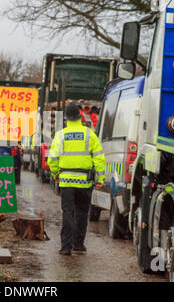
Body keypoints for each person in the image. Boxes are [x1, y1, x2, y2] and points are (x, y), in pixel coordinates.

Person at [47, 102, 106, 255]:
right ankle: (79, 244)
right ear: (80, 117)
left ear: (66, 119)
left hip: (66, 180)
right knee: (82, 212)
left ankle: (66, 247)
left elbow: (52, 159)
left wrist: (55, 175)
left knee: (67, 212)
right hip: (85, 181)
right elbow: (99, 158)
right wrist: (101, 177)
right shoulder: (89, 134)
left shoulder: (60, 135)